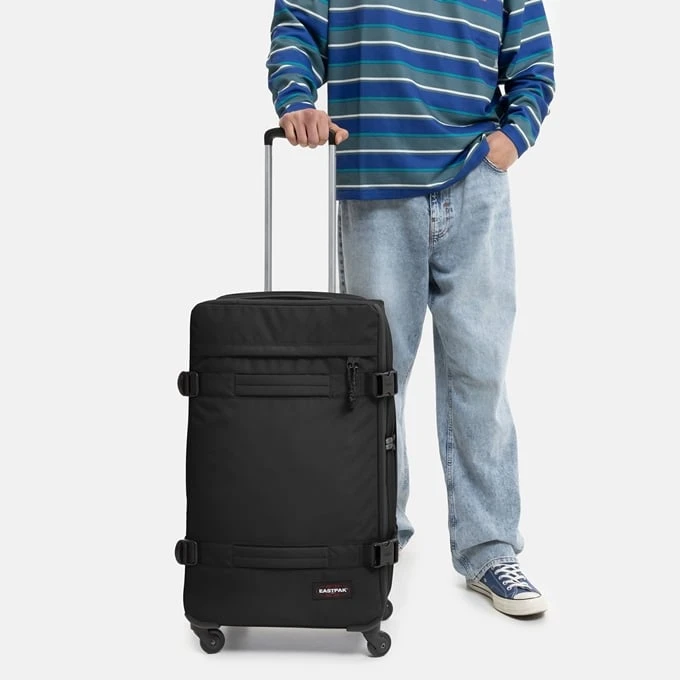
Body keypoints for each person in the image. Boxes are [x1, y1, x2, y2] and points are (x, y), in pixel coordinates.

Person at [266, 0, 555, 617]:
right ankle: (376, 536)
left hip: (476, 180)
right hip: (375, 181)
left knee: (480, 373)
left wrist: (511, 140)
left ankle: (489, 548)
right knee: (375, 378)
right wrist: (295, 100)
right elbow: (297, 26)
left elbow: (532, 64)